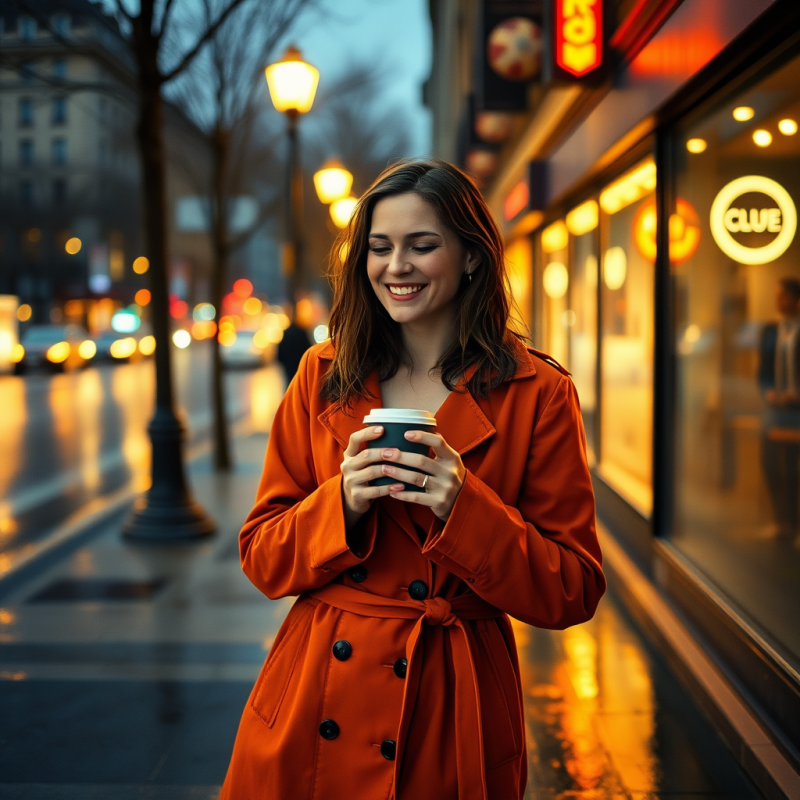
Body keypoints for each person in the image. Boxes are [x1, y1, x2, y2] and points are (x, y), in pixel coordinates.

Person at [220, 160, 605, 800]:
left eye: (422, 245)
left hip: (453, 704)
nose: (396, 266)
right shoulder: (322, 375)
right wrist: (340, 502)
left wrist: (465, 507)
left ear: (472, 258)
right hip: (315, 698)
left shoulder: (538, 392)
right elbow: (262, 557)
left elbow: (573, 589)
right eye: (379, 247)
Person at [758, 277, 800, 539]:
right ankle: (781, 520)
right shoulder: (770, 330)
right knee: (770, 462)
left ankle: (796, 524)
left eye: (783, 295)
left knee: (794, 467)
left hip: (797, 409)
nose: (778, 301)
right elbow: (762, 368)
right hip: (775, 406)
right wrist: (768, 392)